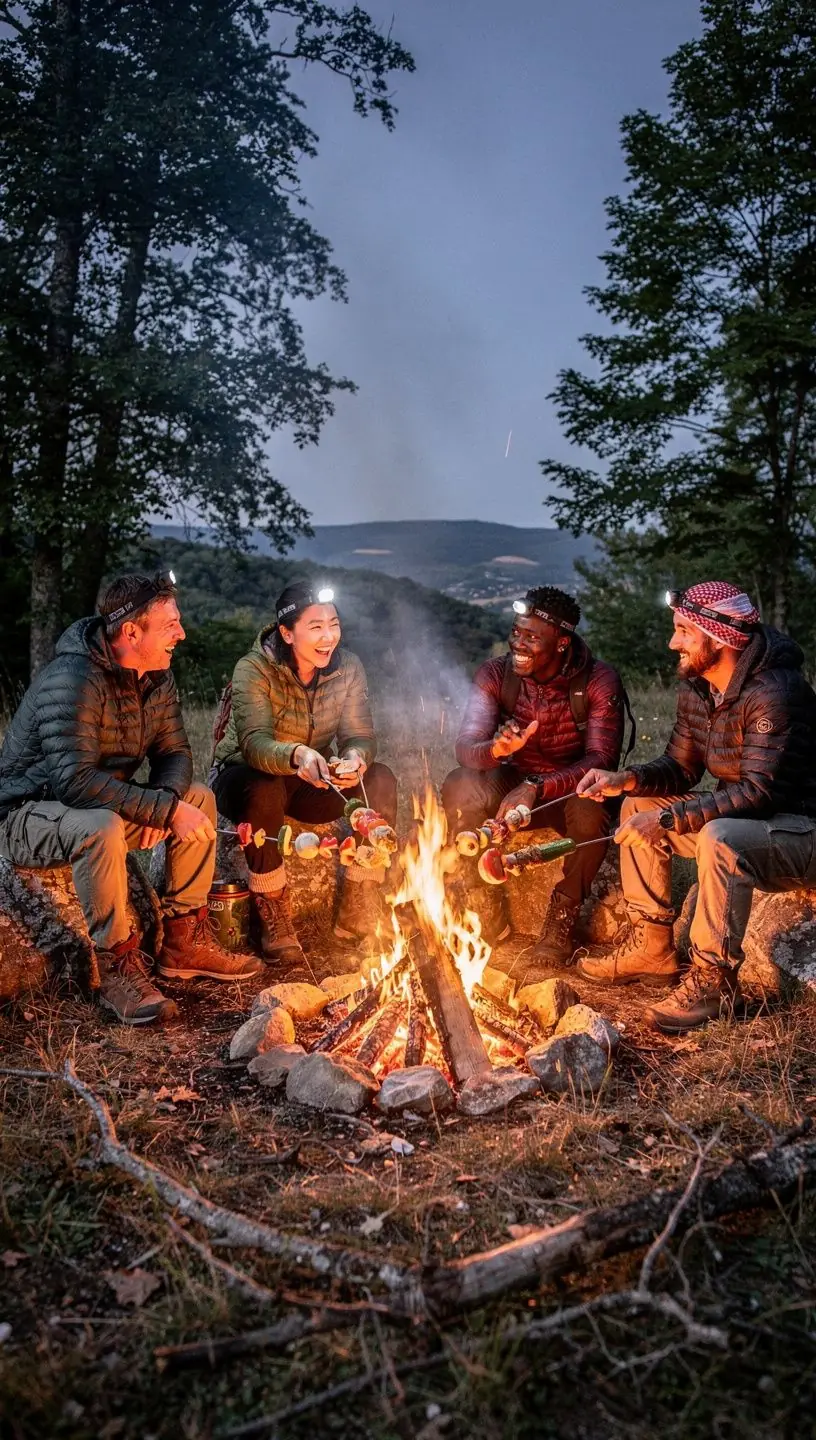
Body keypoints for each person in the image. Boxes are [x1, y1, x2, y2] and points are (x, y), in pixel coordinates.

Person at [0, 572, 261, 1026]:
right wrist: (161, 810)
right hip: (27, 812)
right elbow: (73, 781)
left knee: (197, 798)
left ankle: (183, 940)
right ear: (131, 631)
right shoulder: (72, 678)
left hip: (95, 805)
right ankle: (117, 965)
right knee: (100, 826)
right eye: (170, 625)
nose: (181, 633)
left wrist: (167, 800)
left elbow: (175, 752)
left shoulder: (155, 677)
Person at [575, 581, 816, 1034]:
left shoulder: (776, 692)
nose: (673, 643)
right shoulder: (699, 687)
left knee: (719, 838)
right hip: (755, 821)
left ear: (718, 637)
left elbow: (760, 794)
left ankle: (714, 982)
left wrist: (668, 819)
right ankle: (653, 947)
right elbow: (681, 767)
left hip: (802, 828)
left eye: (684, 631)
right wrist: (626, 779)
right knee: (636, 805)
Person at [212, 580, 397, 972]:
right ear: (286, 632)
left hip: (312, 777)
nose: (328, 636)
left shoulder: (347, 668)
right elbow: (254, 743)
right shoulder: (255, 668)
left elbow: (360, 734)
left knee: (380, 779)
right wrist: (296, 754)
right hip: (246, 775)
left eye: (334, 624)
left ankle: (359, 900)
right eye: (315, 627)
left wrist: (354, 758)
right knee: (263, 788)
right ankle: (274, 915)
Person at [441, 586, 626, 974]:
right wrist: (497, 750)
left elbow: (601, 759)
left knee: (592, 815)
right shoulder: (496, 674)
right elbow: (465, 747)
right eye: (516, 632)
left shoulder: (598, 680)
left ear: (561, 643)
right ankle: (483, 905)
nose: (517, 644)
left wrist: (538, 787)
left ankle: (561, 922)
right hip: (511, 782)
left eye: (531, 637)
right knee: (459, 784)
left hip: (568, 791)